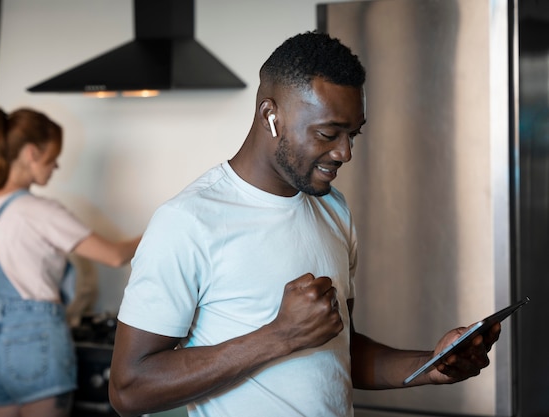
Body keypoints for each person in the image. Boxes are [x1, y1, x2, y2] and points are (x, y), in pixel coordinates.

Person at [108, 32, 500, 417]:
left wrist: (429, 365)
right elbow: (129, 389)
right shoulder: (188, 221)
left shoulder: (333, 208)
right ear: (270, 116)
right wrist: (279, 336)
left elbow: (339, 349)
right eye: (329, 133)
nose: (345, 152)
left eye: (353, 134)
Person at [0, 107, 141, 417]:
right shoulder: (41, 211)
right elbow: (115, 255)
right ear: (31, 153)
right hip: (39, 343)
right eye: (53, 156)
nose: (56, 165)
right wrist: (160, 228)